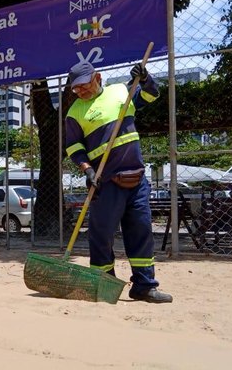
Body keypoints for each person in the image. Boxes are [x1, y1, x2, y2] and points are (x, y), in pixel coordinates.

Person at [64, 60, 173, 304]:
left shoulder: (122, 91)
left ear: (98, 78)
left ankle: (144, 286)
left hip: (136, 179)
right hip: (105, 182)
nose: (80, 92)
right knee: (101, 235)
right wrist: (88, 170)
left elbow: (150, 95)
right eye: (75, 89)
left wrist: (145, 79)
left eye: (83, 86)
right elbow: (74, 147)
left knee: (142, 231)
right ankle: (104, 286)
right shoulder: (74, 113)